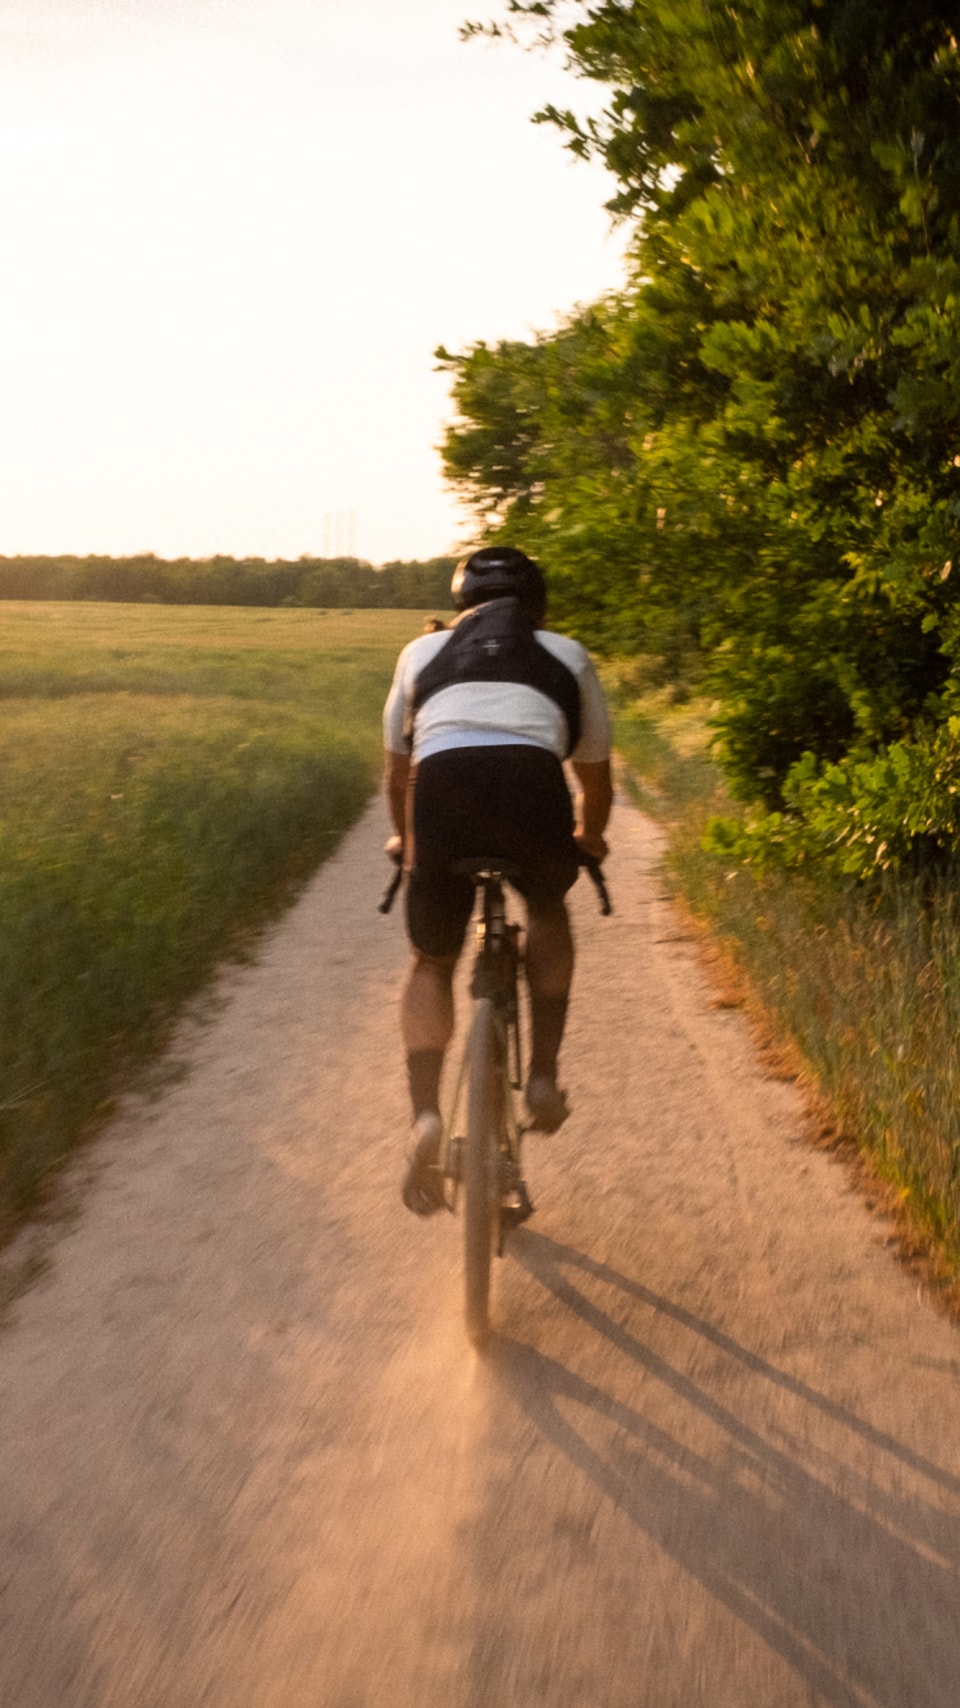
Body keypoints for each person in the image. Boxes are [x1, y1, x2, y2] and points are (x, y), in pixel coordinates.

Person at [382, 546, 613, 1216]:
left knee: (430, 960)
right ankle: (541, 1076)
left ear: (461, 602)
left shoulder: (419, 655)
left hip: (442, 793)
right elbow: (594, 780)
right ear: (536, 605)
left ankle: (426, 1115)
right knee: (547, 911)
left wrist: (405, 839)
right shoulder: (565, 655)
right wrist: (588, 841)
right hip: (531, 789)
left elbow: (401, 772)